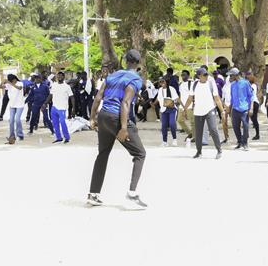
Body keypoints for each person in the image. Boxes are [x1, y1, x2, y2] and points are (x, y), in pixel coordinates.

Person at [86, 50, 148, 208]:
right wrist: (123, 128)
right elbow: (125, 103)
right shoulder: (135, 79)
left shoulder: (112, 75)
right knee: (140, 154)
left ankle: (93, 194)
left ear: (125, 60)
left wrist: (92, 118)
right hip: (116, 118)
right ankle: (132, 195)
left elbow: (98, 97)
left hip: (103, 116)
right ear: (139, 62)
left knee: (103, 154)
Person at [182, 68, 225, 159]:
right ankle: (199, 152)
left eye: (206, 74)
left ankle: (219, 150)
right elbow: (190, 98)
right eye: (204, 75)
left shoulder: (211, 83)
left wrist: (222, 111)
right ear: (199, 76)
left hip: (210, 109)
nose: (206, 76)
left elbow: (217, 98)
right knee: (198, 133)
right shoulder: (194, 84)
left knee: (213, 129)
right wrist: (185, 109)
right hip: (198, 111)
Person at [226, 68, 254, 150]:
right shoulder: (233, 85)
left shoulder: (246, 83)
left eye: (231, 75)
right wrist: (229, 109)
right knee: (235, 127)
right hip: (235, 109)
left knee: (245, 126)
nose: (230, 77)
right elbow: (232, 98)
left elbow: (251, 96)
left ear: (236, 75)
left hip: (244, 109)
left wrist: (251, 108)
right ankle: (239, 142)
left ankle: (245, 143)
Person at [45, 71, 74, 144]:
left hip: (62, 108)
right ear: (56, 77)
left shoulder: (67, 87)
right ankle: (59, 138)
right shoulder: (54, 85)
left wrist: (74, 108)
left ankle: (67, 137)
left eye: (61, 76)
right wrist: (45, 103)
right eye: (58, 76)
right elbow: (50, 95)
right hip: (54, 107)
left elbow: (72, 97)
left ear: (64, 77)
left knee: (62, 122)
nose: (59, 77)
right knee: (55, 123)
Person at [0, 74, 25, 143]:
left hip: (20, 105)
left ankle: (20, 135)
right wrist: (2, 82)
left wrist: (9, 83)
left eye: (13, 80)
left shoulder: (20, 83)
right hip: (12, 105)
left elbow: (19, 88)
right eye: (11, 81)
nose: (12, 82)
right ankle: (12, 135)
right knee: (11, 120)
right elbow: (0, 87)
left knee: (17, 120)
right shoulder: (9, 85)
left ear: (15, 79)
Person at [157, 76, 180, 147]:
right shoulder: (160, 90)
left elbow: (177, 99)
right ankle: (164, 141)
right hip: (164, 109)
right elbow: (159, 99)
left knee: (172, 124)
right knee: (164, 125)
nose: (161, 83)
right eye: (160, 82)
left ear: (166, 82)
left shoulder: (172, 89)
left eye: (163, 81)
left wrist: (172, 102)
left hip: (172, 109)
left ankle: (174, 139)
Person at [177, 70, 195, 145]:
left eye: (184, 75)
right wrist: (180, 104)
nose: (183, 76)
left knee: (192, 122)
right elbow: (181, 95)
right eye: (182, 75)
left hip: (190, 106)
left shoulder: (191, 83)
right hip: (182, 106)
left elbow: (194, 95)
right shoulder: (180, 84)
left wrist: (194, 104)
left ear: (188, 75)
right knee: (180, 120)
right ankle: (190, 133)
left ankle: (194, 137)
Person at [247, 71, 261, 141]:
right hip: (252, 103)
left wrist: (251, 107)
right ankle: (256, 134)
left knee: (254, 119)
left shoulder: (253, 85)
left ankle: (257, 134)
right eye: (247, 75)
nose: (248, 77)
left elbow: (252, 95)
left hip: (254, 103)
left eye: (249, 75)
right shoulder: (250, 85)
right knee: (253, 119)